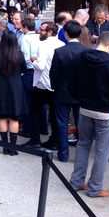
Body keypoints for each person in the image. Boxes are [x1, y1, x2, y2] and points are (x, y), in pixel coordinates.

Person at [69, 31, 109, 198]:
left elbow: (73, 82)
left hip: (85, 108)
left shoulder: (81, 58)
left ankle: (76, 181)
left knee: (83, 144)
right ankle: (95, 187)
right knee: (102, 150)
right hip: (105, 112)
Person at [0, 32, 28, 155]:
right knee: (14, 117)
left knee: (1, 116)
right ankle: (13, 147)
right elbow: (24, 69)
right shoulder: (19, 54)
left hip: (0, 86)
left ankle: (5, 146)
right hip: (16, 87)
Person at [50, 20, 86, 162]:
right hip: (81, 92)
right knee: (81, 124)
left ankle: (63, 153)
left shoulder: (60, 52)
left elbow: (53, 73)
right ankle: (81, 155)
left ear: (66, 34)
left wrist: (54, 86)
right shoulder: (86, 51)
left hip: (62, 91)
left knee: (62, 123)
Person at [27, 22, 63, 150]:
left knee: (35, 112)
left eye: (42, 30)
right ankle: (54, 140)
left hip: (42, 83)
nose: (39, 32)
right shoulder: (61, 44)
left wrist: (33, 60)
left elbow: (40, 66)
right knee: (54, 114)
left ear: (49, 32)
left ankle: (35, 140)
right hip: (55, 84)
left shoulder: (43, 45)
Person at [19, 17, 40, 139]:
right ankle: (39, 128)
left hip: (29, 70)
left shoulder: (25, 38)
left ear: (25, 27)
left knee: (27, 101)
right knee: (36, 101)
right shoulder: (38, 37)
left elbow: (24, 56)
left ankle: (27, 129)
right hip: (37, 70)